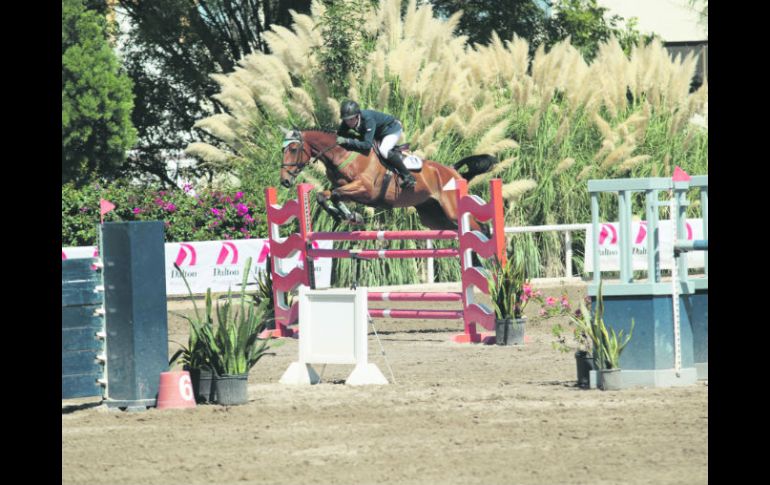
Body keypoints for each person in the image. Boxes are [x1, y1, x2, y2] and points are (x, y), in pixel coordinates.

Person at [335, 100, 416, 189]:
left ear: (357, 116)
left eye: (351, 119)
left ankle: (408, 176)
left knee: (383, 150)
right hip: (378, 132)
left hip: (391, 129)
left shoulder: (368, 119)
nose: (348, 123)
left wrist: (348, 141)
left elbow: (367, 145)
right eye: (346, 120)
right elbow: (339, 134)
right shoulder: (347, 121)